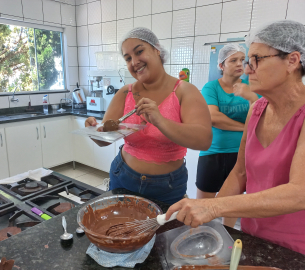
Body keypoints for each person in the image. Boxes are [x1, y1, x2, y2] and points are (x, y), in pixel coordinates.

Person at [165, 20, 305, 258]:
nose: (246, 70)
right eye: (247, 61)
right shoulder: (257, 110)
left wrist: (212, 206)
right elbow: (240, 173)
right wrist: (209, 223)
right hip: (252, 237)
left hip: (300, 250)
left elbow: (302, 194)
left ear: (292, 60)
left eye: (256, 60)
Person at [85, 27, 212, 205]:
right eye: (128, 58)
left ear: (156, 50)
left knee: (164, 233)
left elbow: (203, 140)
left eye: (139, 51)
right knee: (120, 230)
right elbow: (104, 139)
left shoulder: (184, 91)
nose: (134, 62)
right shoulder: (125, 93)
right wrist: (93, 131)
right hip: (123, 177)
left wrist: (160, 120)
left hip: (167, 187)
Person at [196, 44, 260, 199]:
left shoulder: (252, 88)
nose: (239, 64)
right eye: (233, 60)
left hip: (241, 153)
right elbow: (214, 118)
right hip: (213, 152)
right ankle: (204, 226)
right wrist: (245, 128)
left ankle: (227, 226)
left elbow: (259, 120)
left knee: (232, 202)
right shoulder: (211, 87)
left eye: (242, 60)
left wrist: (251, 98)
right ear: (221, 65)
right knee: (205, 203)